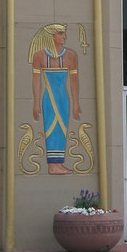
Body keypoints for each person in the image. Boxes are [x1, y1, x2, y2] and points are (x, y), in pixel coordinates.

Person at [29, 23, 80, 174]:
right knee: (51, 128)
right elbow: (36, 80)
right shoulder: (39, 55)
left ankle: (58, 163)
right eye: (60, 33)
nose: (64, 36)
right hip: (49, 98)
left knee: (62, 129)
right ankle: (52, 165)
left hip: (63, 98)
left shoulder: (71, 55)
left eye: (64, 33)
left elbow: (74, 80)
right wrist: (36, 102)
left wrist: (76, 103)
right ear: (52, 36)